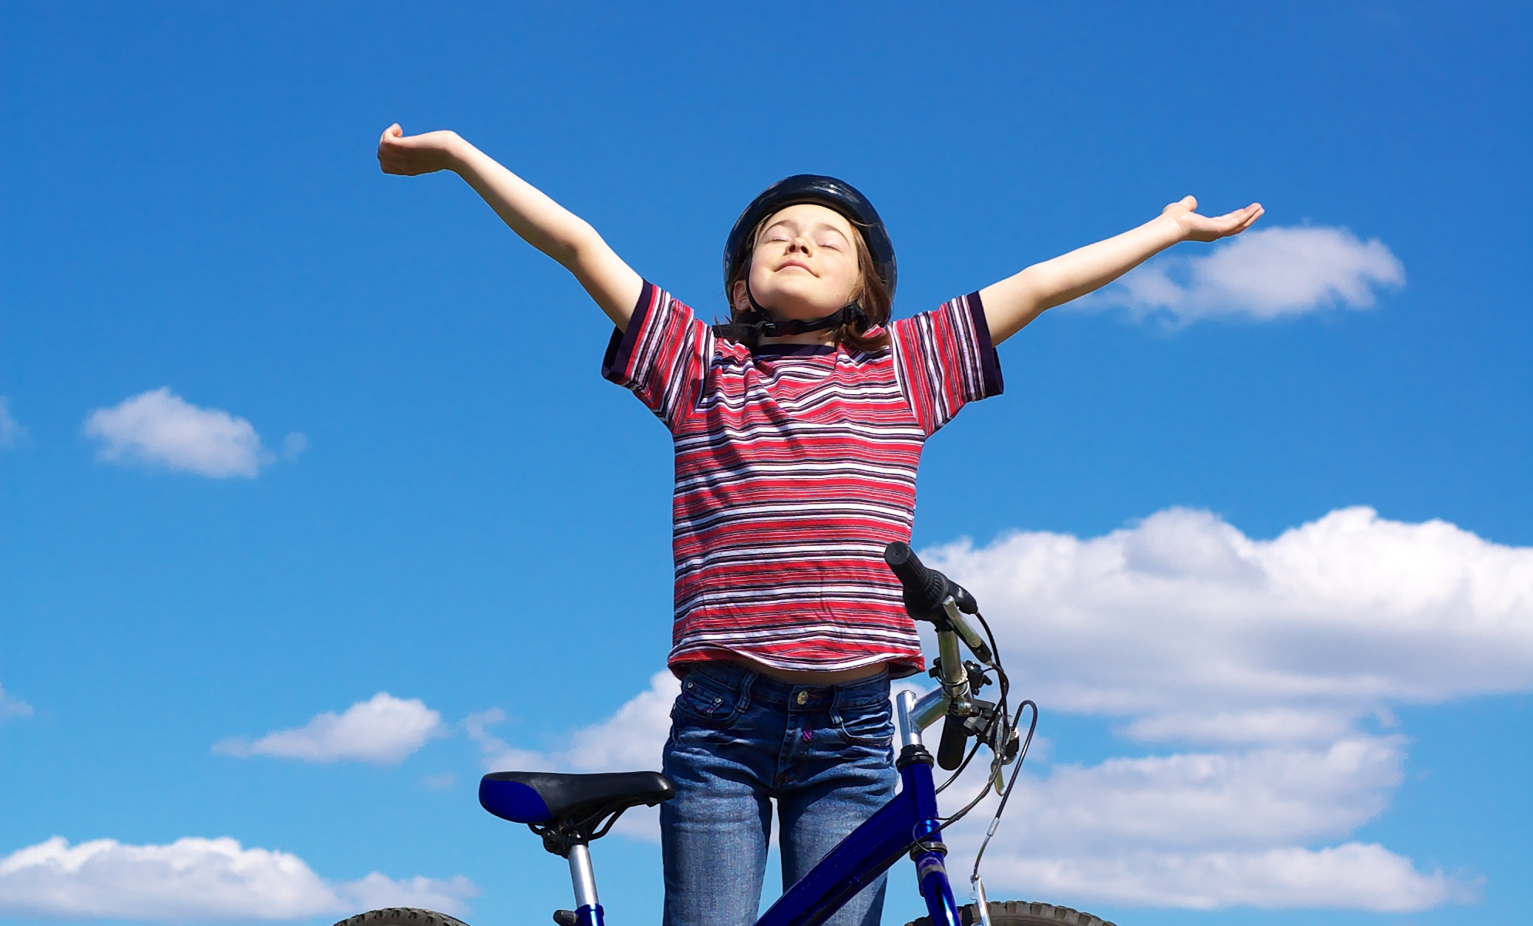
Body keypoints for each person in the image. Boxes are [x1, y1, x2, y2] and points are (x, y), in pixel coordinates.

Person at [377, 124, 1262, 926]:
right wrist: (459, 156)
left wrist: (1163, 232)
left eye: (828, 240)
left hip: (853, 731)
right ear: (741, 281)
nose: (800, 243)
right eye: (779, 236)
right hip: (722, 724)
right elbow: (577, 244)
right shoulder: (697, 364)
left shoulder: (907, 367)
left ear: (864, 288)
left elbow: (1036, 288)